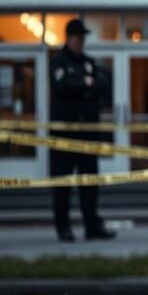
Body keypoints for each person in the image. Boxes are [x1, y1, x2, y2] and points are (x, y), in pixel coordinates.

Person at [49, 19, 116, 242]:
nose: (82, 42)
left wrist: (85, 85)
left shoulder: (88, 62)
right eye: (79, 37)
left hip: (87, 134)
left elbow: (104, 85)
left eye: (84, 38)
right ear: (69, 37)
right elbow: (62, 87)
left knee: (89, 183)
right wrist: (85, 85)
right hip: (64, 135)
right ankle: (63, 227)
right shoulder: (58, 61)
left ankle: (92, 225)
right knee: (63, 184)